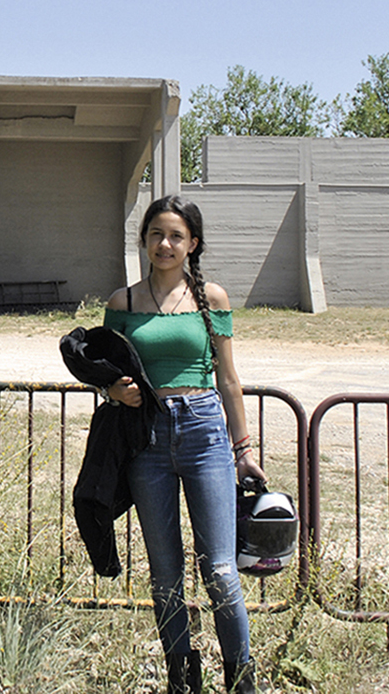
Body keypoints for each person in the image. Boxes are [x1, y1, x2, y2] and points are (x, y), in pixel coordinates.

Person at [102, 194, 265, 694]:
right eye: (156, 234)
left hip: (204, 434)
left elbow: (229, 378)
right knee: (165, 572)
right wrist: (111, 389)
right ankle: (182, 677)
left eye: (176, 235)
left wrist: (244, 450)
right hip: (146, 439)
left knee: (219, 568)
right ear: (144, 241)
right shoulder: (122, 303)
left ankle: (241, 679)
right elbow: (103, 368)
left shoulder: (211, 298)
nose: (165, 244)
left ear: (193, 243)